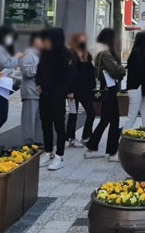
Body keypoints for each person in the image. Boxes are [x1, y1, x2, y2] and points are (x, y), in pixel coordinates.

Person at [36, 28, 76, 171]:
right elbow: (39, 70)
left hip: (58, 94)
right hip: (45, 94)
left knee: (59, 125)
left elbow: (71, 75)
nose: (44, 42)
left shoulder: (66, 54)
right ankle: (48, 152)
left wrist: (69, 90)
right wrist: (38, 83)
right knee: (45, 123)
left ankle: (59, 155)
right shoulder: (45, 54)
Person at [84, 28, 126, 162]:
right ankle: (112, 152)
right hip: (109, 89)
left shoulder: (98, 52)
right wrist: (122, 70)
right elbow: (117, 71)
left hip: (105, 88)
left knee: (106, 120)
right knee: (113, 120)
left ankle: (92, 148)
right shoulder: (105, 53)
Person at [66, 33, 96, 146]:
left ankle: (86, 136)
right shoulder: (71, 55)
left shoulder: (86, 54)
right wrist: (69, 90)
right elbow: (69, 74)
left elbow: (90, 71)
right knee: (73, 114)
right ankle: (71, 138)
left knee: (91, 113)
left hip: (85, 89)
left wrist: (92, 84)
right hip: (73, 90)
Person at [19, 32, 43, 145]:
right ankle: (28, 143)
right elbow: (27, 72)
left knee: (39, 119)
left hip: (41, 92)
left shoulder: (42, 54)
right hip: (30, 91)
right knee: (29, 119)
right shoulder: (28, 54)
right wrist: (42, 67)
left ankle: (37, 142)